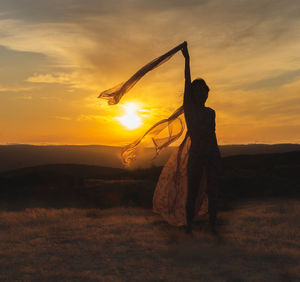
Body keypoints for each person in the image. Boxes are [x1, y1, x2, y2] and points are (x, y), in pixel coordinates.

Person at [181, 42, 221, 233]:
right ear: (193, 93)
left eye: (204, 90)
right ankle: (189, 228)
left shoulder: (211, 112)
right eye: (198, 90)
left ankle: (213, 228)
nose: (201, 92)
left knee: (213, 192)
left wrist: (217, 156)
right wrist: (187, 59)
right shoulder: (189, 110)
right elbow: (187, 80)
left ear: (207, 93)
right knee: (193, 192)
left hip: (212, 154)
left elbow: (212, 136)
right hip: (196, 154)